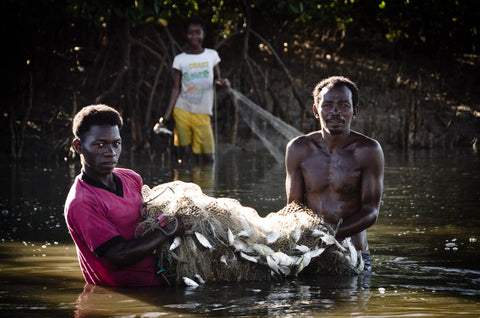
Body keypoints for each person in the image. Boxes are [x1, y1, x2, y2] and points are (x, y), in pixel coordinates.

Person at [65, 104, 185, 286]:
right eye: (99, 145)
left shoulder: (131, 178)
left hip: (161, 281)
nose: (111, 152)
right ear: (79, 146)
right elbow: (118, 255)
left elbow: (148, 219)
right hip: (128, 293)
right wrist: (168, 230)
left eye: (116, 144)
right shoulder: (81, 202)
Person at [285, 76, 384, 272]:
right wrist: (313, 241)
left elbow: (371, 212)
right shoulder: (298, 149)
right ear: (316, 110)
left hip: (353, 254)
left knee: (353, 303)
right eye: (328, 105)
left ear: (354, 111)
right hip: (310, 252)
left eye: (344, 106)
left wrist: (331, 237)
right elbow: (293, 208)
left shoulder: (368, 150)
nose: (335, 111)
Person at [153, 17, 230, 163]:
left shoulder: (211, 55)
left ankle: (206, 186)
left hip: (203, 112)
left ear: (203, 35)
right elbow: (176, 88)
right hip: (182, 110)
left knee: (209, 157)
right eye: (190, 33)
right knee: (184, 154)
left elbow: (219, 79)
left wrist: (225, 83)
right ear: (186, 36)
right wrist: (166, 118)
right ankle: (184, 182)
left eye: (197, 33)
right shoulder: (180, 59)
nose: (194, 36)